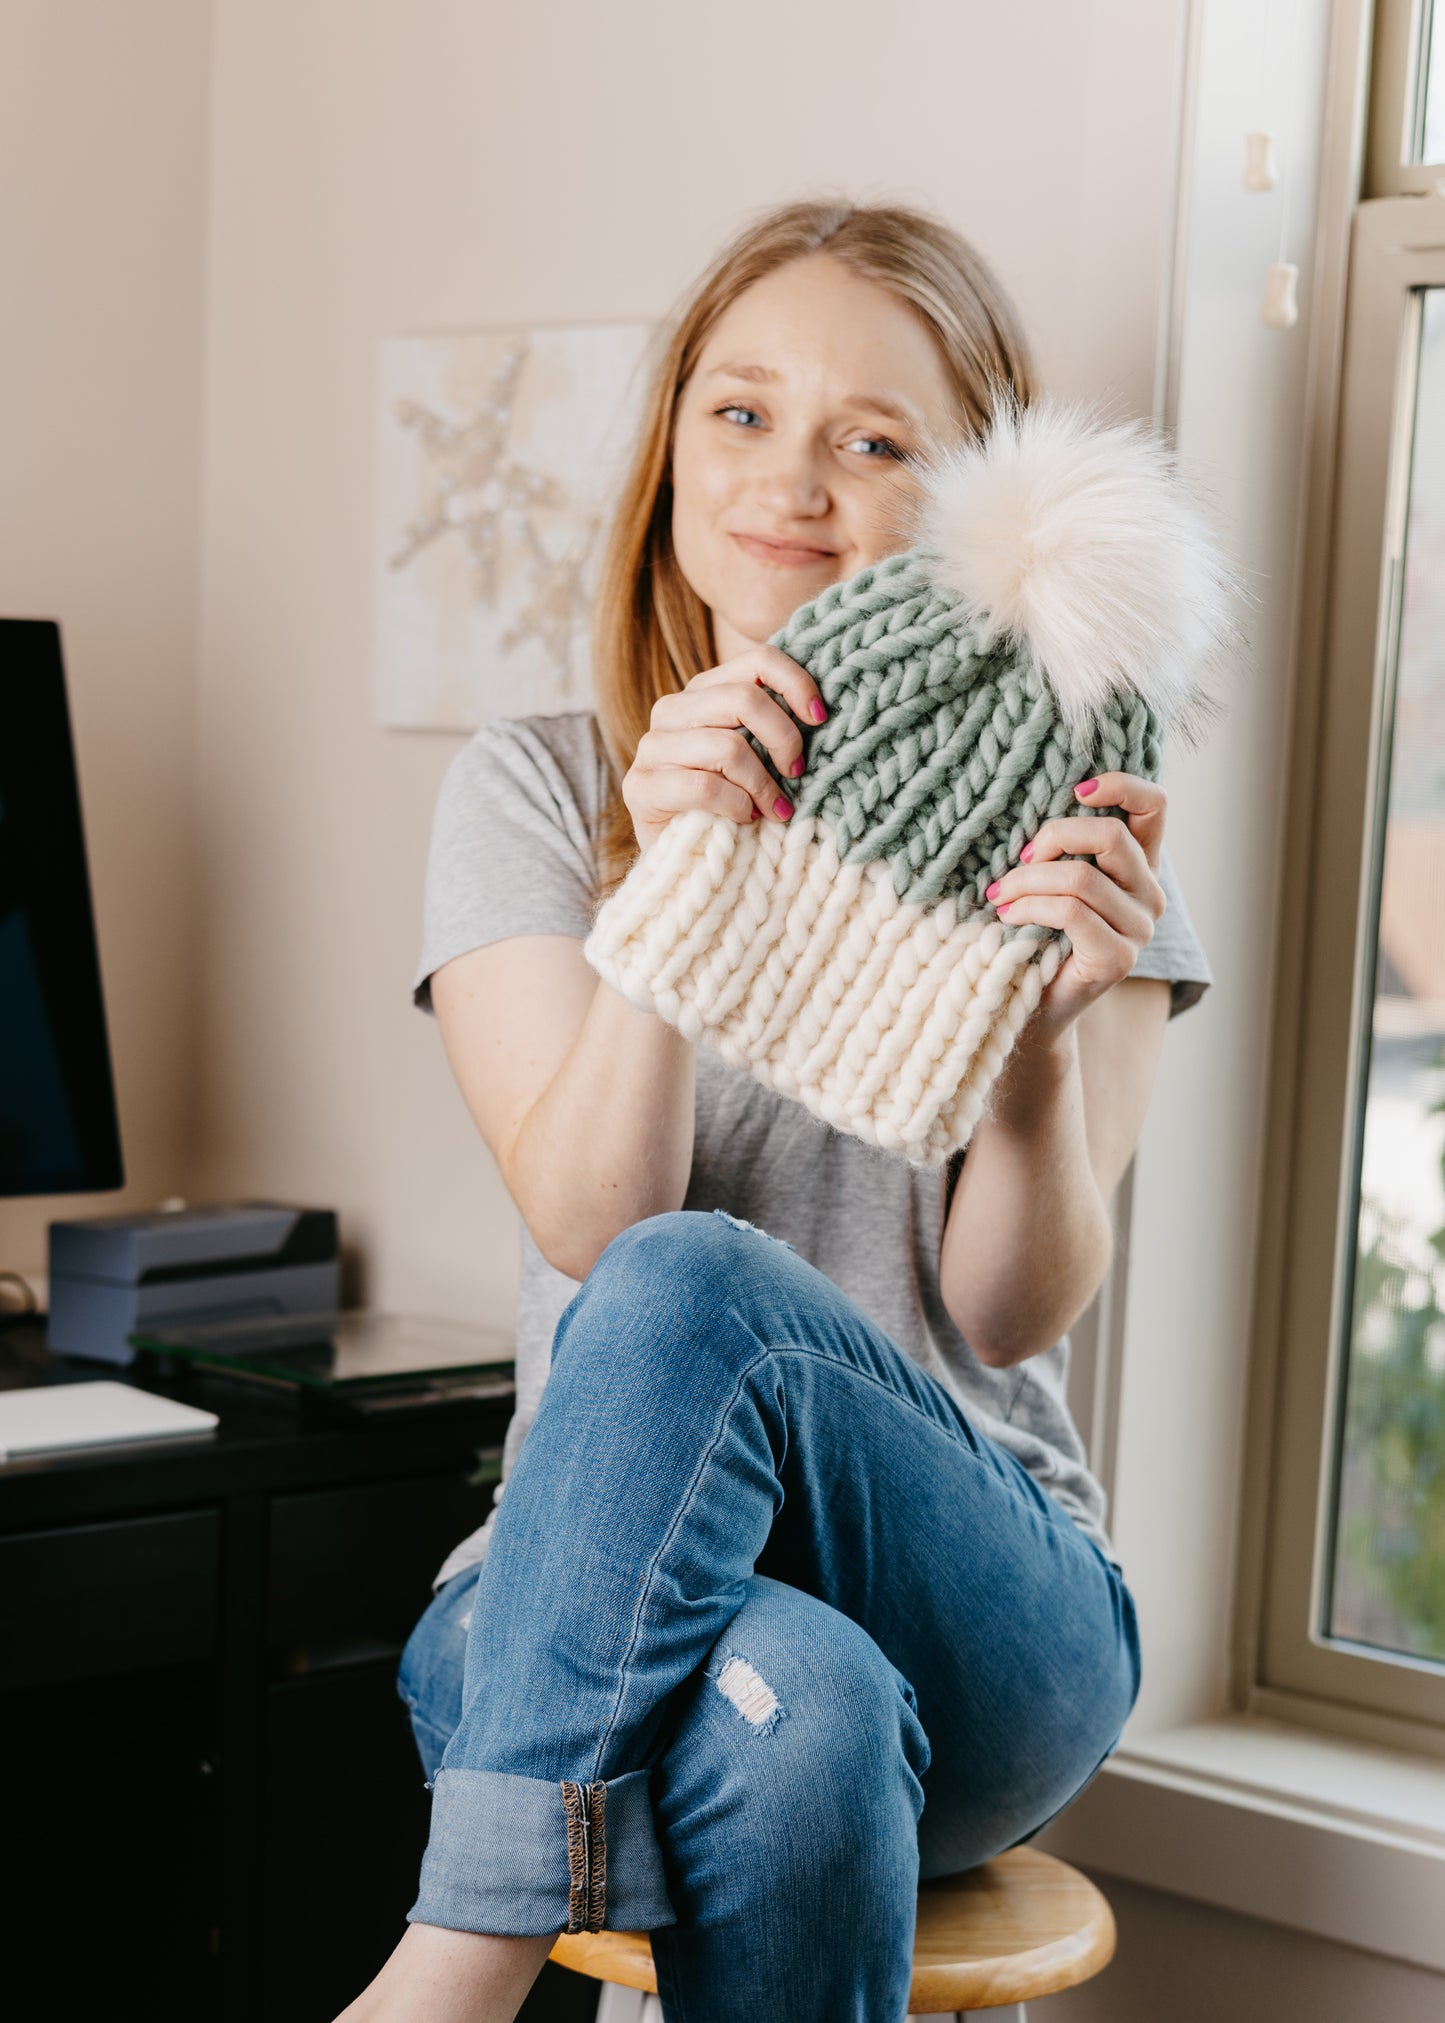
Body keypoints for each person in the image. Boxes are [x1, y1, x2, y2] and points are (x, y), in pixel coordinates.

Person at [338, 198, 1213, 2023]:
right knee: (793, 1711)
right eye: (740, 414)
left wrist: (1034, 1048)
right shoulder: (539, 788)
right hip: (597, 1612)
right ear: (669, 442)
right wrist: (675, 887)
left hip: (982, 1605)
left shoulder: (1078, 824)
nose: (791, 481)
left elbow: (1002, 1316)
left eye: (873, 442)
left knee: (685, 1289)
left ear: (978, 503)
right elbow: (587, 1206)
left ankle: (454, 1963)